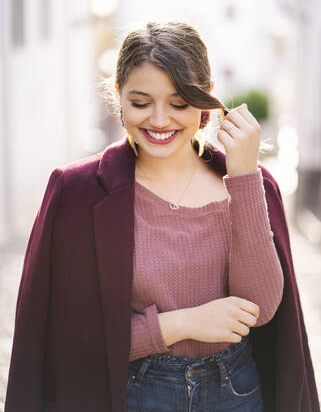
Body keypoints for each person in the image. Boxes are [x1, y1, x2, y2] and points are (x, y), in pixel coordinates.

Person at [4, 21, 320, 412]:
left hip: (237, 394)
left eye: (179, 103)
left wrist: (243, 178)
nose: (158, 120)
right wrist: (180, 324)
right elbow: (64, 339)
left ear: (205, 100)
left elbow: (260, 308)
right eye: (141, 102)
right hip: (131, 395)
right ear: (118, 96)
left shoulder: (253, 184)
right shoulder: (76, 193)